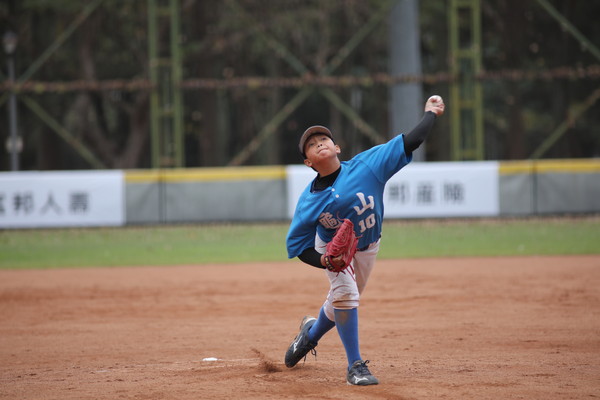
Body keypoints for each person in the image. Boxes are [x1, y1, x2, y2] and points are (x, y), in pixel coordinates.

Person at [284, 95, 445, 386]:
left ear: (337, 148)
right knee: (346, 294)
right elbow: (297, 246)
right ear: (308, 161)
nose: (319, 142)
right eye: (311, 143)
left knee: (341, 302)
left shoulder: (367, 166)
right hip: (332, 250)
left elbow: (411, 142)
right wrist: (325, 260)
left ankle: (309, 335)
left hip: (368, 247)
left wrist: (431, 113)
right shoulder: (309, 202)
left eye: (324, 138)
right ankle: (355, 366)